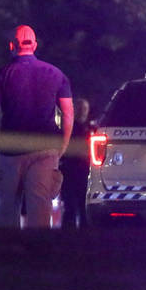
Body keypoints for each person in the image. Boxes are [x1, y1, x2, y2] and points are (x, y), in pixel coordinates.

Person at [0, 24, 73, 229]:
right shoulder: (56, 74)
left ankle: (9, 254)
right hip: (46, 149)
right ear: (35, 45)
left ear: (11, 46)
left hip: (11, 151)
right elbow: (67, 112)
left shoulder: (3, 74)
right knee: (40, 208)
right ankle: (38, 255)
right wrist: (63, 145)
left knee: (6, 210)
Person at [60, 97, 91, 228]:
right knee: (72, 207)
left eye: (84, 109)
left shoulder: (88, 129)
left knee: (79, 208)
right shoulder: (71, 129)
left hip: (80, 173)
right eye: (80, 109)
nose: (82, 112)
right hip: (71, 172)